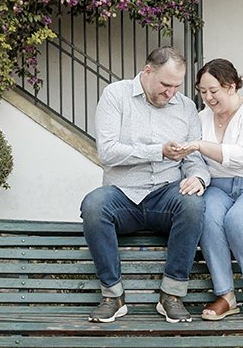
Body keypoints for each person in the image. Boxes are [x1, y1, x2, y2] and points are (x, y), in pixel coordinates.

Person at [80, 46, 209, 323]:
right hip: (123, 196)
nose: (170, 92)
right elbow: (108, 151)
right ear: (147, 71)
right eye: (165, 84)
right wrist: (157, 151)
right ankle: (113, 297)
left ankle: (171, 295)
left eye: (176, 86)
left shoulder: (186, 107)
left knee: (193, 204)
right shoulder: (116, 95)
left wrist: (198, 178)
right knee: (93, 205)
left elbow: (195, 158)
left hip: (166, 195)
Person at [172, 57, 243, 322]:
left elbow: (242, 155)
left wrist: (199, 144)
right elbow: (194, 159)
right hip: (219, 187)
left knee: (238, 220)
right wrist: (198, 178)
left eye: (214, 91)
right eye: (202, 92)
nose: (208, 98)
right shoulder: (200, 119)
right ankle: (226, 295)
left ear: (232, 86)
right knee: (208, 218)